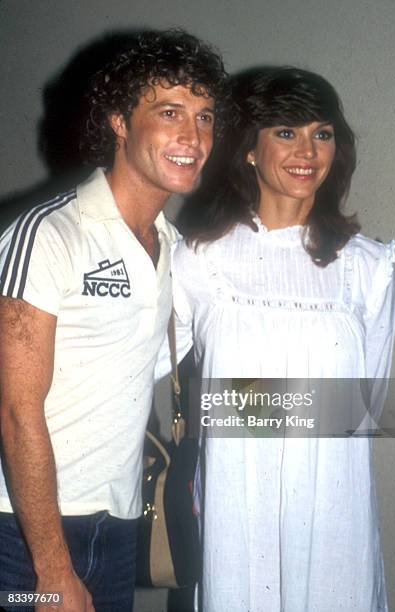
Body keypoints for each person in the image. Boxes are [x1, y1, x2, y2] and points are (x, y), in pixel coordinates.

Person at [0, 29, 226, 612]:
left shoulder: (174, 249)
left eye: (204, 117)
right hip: (26, 533)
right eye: (170, 112)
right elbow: (15, 408)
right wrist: (50, 569)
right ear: (120, 121)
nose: (193, 136)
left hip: (120, 522)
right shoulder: (50, 234)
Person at [173, 67, 395, 611]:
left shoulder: (368, 266)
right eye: (285, 131)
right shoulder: (198, 259)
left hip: (333, 507)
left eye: (321, 133)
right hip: (236, 503)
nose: (307, 151)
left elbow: (364, 409)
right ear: (248, 148)